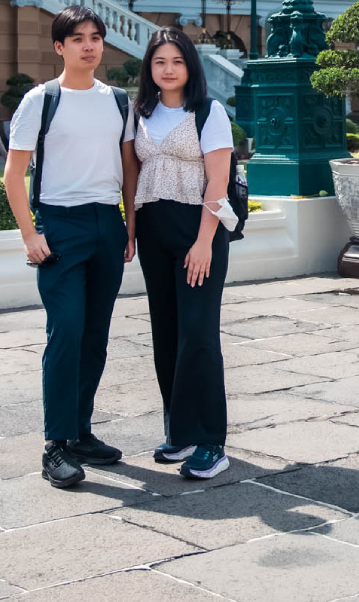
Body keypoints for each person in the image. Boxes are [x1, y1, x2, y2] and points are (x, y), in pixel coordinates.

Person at [4, 6, 138, 491]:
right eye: (78, 38)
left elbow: (128, 170)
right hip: (60, 227)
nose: (90, 46)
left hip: (107, 224)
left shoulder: (119, 101)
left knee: (95, 337)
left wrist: (130, 227)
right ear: (59, 47)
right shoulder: (43, 100)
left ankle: (81, 433)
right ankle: (55, 446)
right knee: (66, 333)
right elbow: (13, 175)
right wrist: (30, 235)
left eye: (96, 37)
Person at [130, 26, 236, 481]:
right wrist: (131, 232)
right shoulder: (141, 112)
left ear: (189, 65)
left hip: (199, 230)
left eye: (176, 61)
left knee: (197, 332)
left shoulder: (209, 112)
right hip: (154, 230)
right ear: (149, 69)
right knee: (166, 332)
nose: (168, 69)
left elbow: (218, 181)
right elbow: (130, 176)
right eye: (159, 62)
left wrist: (204, 241)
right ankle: (180, 432)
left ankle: (211, 441)